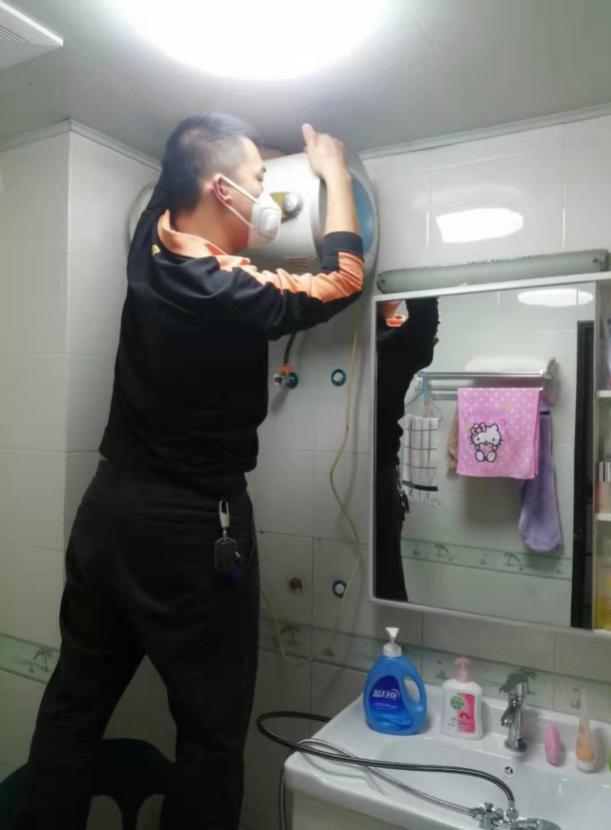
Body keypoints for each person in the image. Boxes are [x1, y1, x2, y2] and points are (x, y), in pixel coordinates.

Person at [16, 114, 363, 830]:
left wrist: (254, 162)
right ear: (222, 190)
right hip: (192, 529)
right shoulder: (231, 290)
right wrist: (331, 172)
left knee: (74, 706)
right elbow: (344, 280)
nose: (266, 193)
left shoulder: (149, 246)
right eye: (259, 180)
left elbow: (177, 177)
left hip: (108, 512)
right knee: (211, 735)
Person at [375, 298, 439, 602]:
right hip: (379, 476)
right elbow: (424, 316)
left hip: (346, 474)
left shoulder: (380, 342)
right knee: (385, 581)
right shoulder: (391, 347)